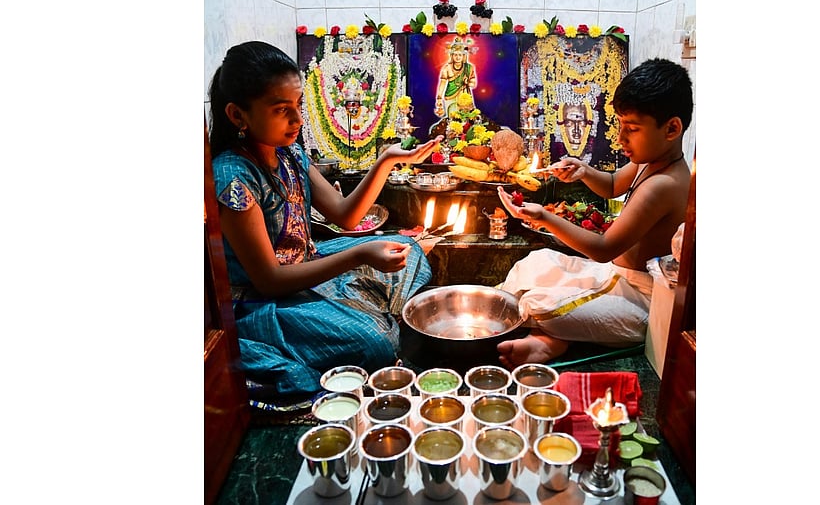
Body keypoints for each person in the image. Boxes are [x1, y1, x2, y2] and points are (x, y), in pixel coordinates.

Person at [208, 41, 443, 396]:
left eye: (299, 105)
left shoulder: (289, 153)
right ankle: (370, 318)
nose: (298, 120)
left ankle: (366, 311)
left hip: (308, 264)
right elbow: (270, 279)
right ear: (238, 115)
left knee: (407, 246)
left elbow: (346, 216)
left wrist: (387, 161)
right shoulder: (232, 177)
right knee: (377, 342)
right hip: (265, 300)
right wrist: (359, 255)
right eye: (281, 109)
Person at [495, 58, 693, 368]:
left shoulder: (665, 184)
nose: (621, 137)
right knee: (533, 264)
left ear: (671, 128)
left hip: (642, 302)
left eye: (632, 128)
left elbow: (603, 249)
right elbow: (614, 184)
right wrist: (583, 170)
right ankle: (550, 343)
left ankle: (550, 338)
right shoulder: (650, 159)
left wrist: (544, 217)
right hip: (614, 276)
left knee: (537, 303)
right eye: (619, 124)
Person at [434, 36, 478, 120]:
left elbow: (473, 83)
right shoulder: (447, 68)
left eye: (460, 55)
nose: (458, 57)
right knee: (453, 119)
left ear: (463, 56)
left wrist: (468, 82)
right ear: (452, 55)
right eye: (455, 55)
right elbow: (442, 84)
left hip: (464, 96)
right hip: (450, 97)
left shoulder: (469, 68)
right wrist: (439, 98)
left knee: (466, 119)